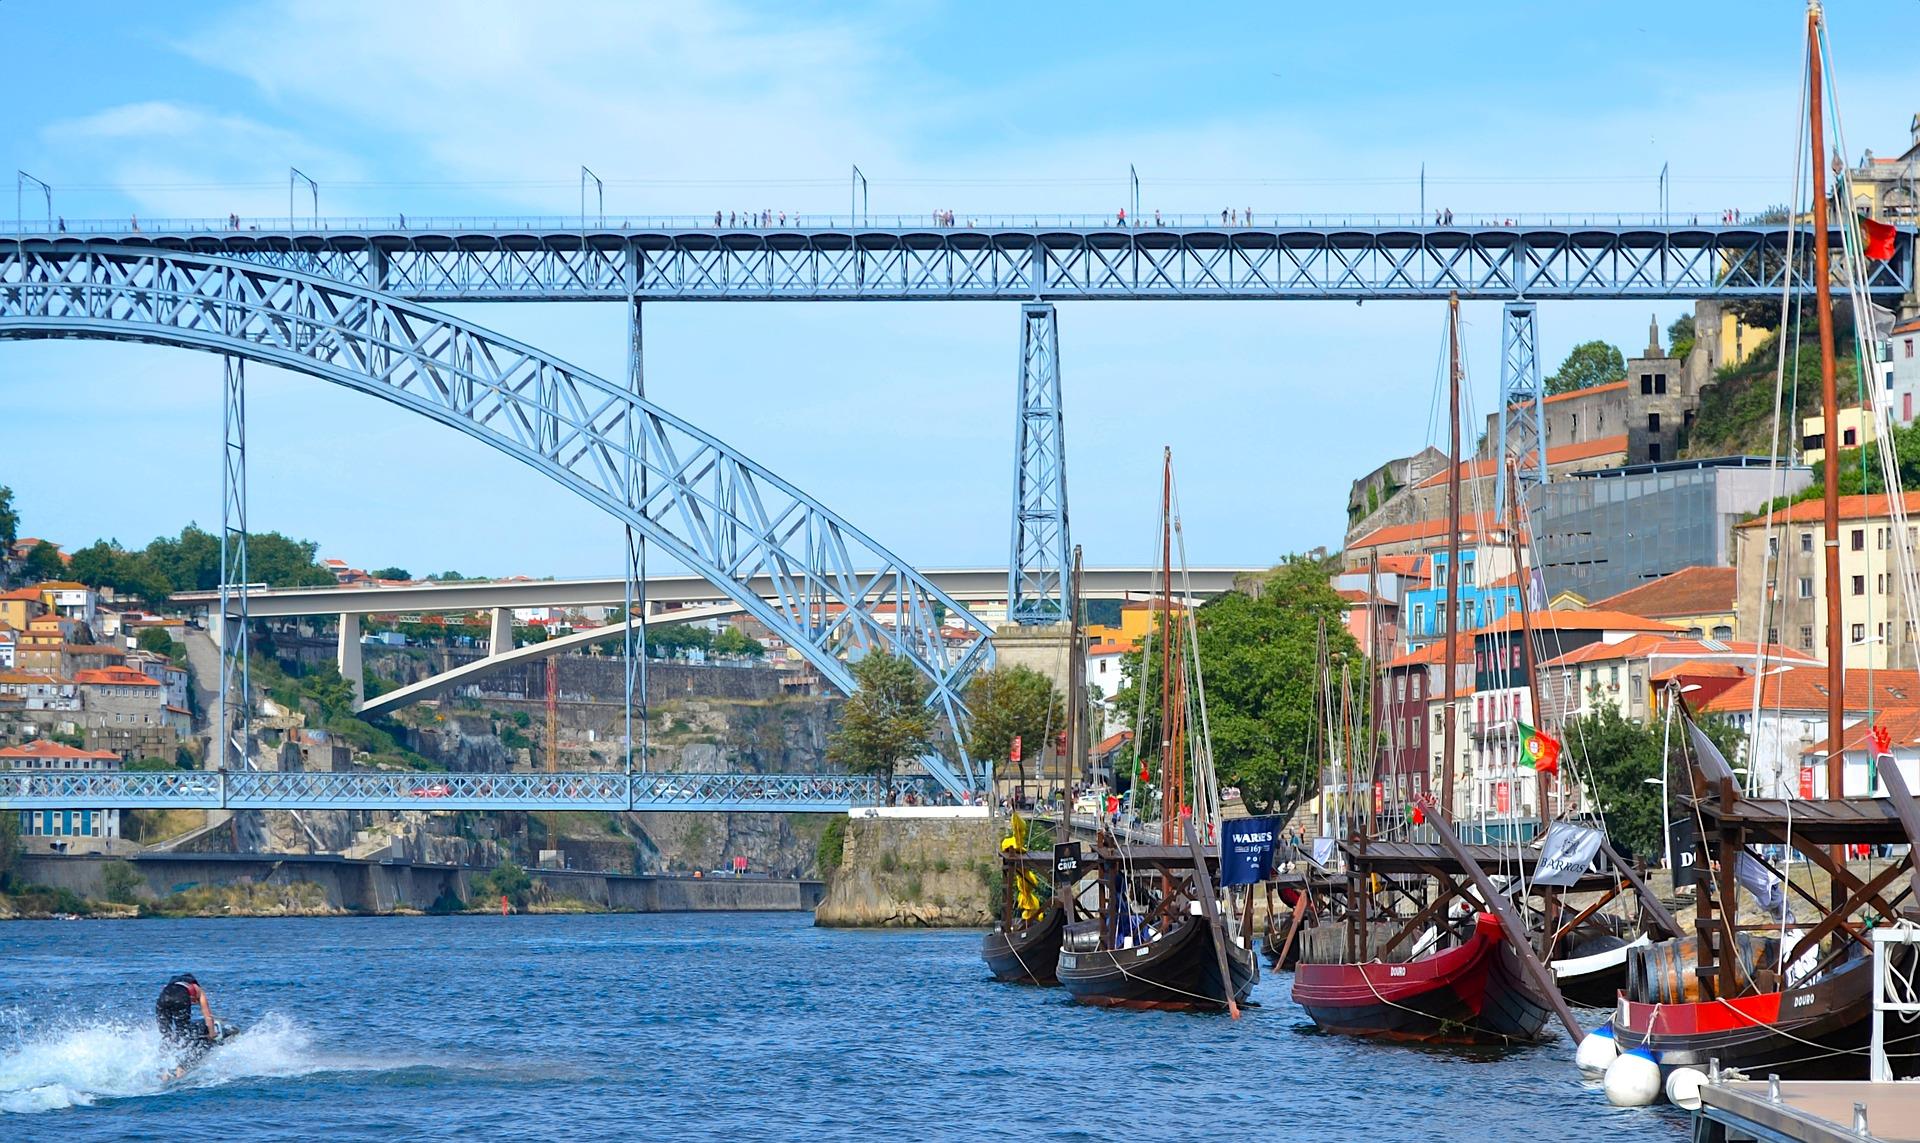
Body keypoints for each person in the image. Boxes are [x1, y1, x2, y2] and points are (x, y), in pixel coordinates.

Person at [156, 973, 219, 1072]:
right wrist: (212, 1033)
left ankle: (164, 1070)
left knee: (166, 1035)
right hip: (180, 998)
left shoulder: (170, 986)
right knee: (183, 1033)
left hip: (162, 998)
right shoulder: (197, 989)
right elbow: (208, 1016)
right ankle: (180, 1068)